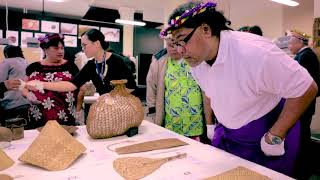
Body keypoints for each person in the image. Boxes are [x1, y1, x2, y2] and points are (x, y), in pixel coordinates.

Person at [160, 1, 317, 177]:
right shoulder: (196, 60)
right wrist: (210, 124)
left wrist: (275, 135)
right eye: (175, 43)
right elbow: (209, 92)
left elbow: (307, 87)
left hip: (265, 133)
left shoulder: (256, 52)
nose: (180, 51)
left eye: (183, 40)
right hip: (228, 134)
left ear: (206, 30)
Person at [25, 29, 137, 100]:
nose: (82, 49)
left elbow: (131, 86)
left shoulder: (117, 60)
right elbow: (71, 85)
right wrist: (42, 84)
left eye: (84, 45)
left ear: (97, 43)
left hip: (124, 109)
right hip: (107, 108)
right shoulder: (91, 65)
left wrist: (113, 98)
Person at [146, 40, 213, 143]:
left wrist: (210, 124)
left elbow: (208, 90)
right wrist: (152, 117)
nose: (174, 48)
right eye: (170, 45)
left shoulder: (196, 59)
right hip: (171, 123)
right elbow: (151, 91)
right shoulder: (159, 61)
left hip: (196, 124)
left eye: (177, 44)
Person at [25, 33, 81, 128]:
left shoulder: (71, 66)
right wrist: (27, 94)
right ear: (45, 49)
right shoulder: (33, 67)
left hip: (65, 116)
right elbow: (24, 86)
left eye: (62, 48)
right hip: (39, 116)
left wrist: (78, 111)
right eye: (56, 48)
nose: (60, 51)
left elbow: (81, 89)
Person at [288, 30, 320, 179]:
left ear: (300, 42)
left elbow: (302, 83)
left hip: (303, 104)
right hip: (305, 104)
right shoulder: (305, 55)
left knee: (302, 137)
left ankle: (302, 170)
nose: (289, 45)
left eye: (291, 42)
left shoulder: (306, 56)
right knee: (302, 136)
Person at [0, 45, 30, 123]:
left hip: (11, 104)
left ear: (6, 54)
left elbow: (1, 82)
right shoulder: (26, 62)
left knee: (12, 131)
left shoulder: (7, 62)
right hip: (26, 101)